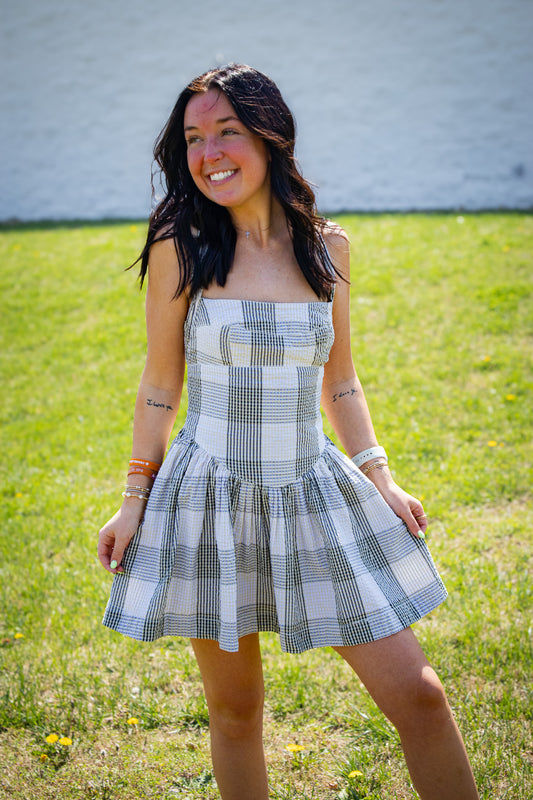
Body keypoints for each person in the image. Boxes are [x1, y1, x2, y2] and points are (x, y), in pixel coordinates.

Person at [98, 64, 479, 800]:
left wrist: (378, 474)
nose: (208, 152)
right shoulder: (183, 245)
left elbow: (340, 379)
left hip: (311, 487)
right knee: (236, 711)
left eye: (226, 132)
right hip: (208, 496)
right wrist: (133, 497)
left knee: (420, 695)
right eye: (193, 137)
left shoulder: (326, 248)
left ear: (270, 135)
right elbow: (158, 385)